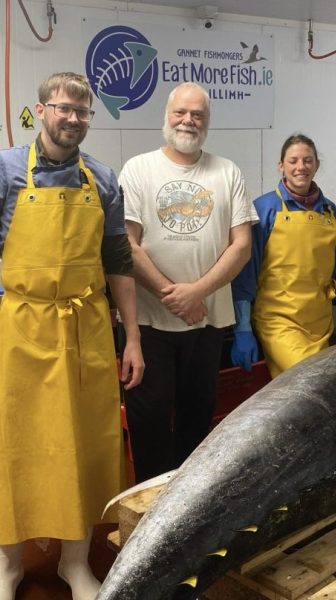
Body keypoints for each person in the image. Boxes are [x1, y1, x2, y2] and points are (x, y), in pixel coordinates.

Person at [0, 72, 144, 600]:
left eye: (82, 112)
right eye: (63, 108)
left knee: (84, 446)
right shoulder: (6, 171)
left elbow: (118, 261)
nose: (73, 119)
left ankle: (75, 562)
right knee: (14, 444)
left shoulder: (102, 179)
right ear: (41, 111)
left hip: (86, 329)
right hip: (20, 327)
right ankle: (8, 563)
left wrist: (132, 339)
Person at [118, 82, 257, 484]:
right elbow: (127, 245)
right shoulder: (138, 169)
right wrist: (173, 296)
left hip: (207, 322)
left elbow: (242, 246)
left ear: (207, 121)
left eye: (197, 114)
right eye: (181, 112)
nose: (188, 121)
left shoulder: (227, 172)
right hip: (148, 325)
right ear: (167, 115)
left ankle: (190, 504)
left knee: (197, 425)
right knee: (149, 429)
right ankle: (150, 508)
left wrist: (196, 293)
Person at [230, 133, 336, 378]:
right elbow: (245, 275)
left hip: (320, 323)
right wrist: (243, 328)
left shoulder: (331, 213)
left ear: (317, 165)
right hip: (278, 322)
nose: (301, 167)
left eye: (308, 160)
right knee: (311, 380)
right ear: (281, 166)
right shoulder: (264, 210)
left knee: (319, 386)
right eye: (293, 161)